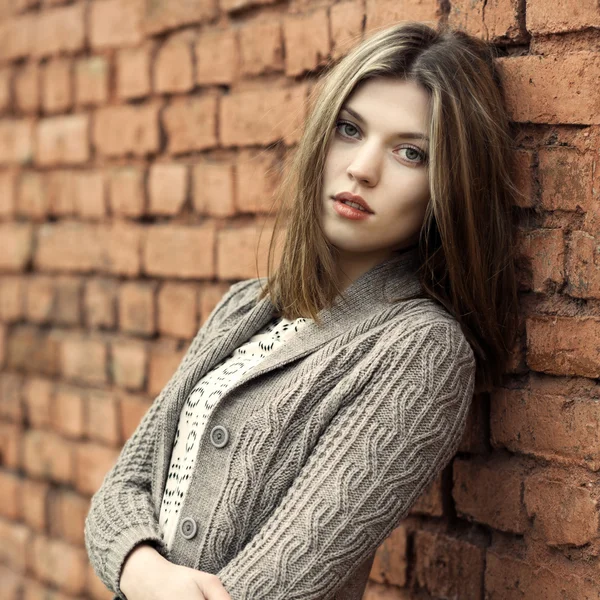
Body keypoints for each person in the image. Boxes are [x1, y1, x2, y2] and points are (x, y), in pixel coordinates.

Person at [84, 19, 521, 600]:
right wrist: (145, 571)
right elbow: (119, 493)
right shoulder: (245, 307)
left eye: (410, 152)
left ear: (448, 185)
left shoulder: (420, 351)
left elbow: (273, 586)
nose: (363, 168)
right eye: (349, 129)